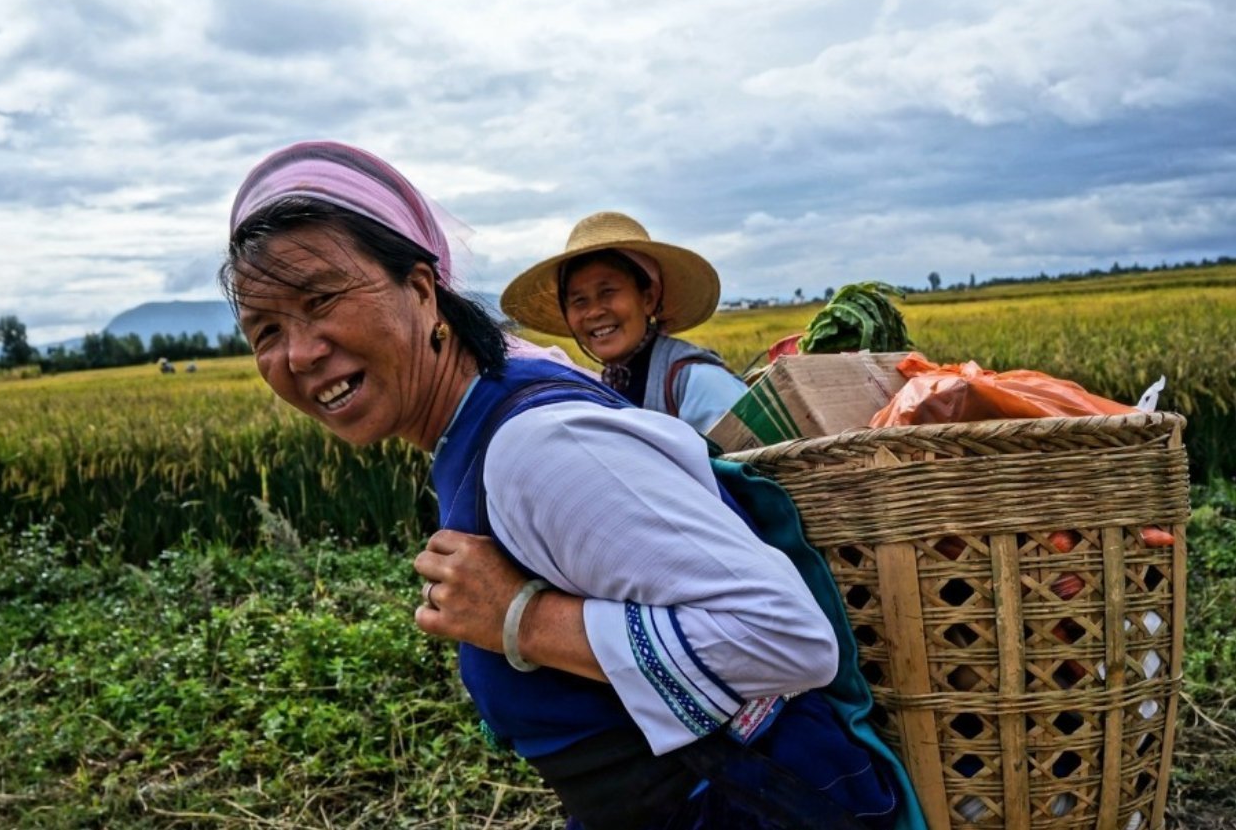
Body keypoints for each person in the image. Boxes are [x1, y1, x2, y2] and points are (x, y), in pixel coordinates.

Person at [221, 141, 924, 830]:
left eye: (320, 299)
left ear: (419, 287)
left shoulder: (536, 443)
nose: (298, 352)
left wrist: (522, 618)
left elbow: (784, 636)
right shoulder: (479, 422)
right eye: (264, 330)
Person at [501, 212, 748, 434]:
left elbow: (758, 475)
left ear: (648, 298)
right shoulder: (607, 386)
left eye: (607, 291)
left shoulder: (699, 382)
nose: (594, 312)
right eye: (579, 301)